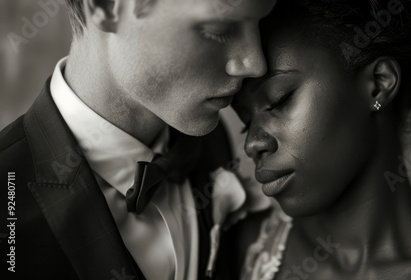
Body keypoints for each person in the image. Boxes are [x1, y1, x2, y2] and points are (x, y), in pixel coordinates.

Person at [0, 0, 275, 279]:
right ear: (105, 7)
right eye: (219, 28)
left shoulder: (210, 140)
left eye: (261, 22)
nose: (255, 63)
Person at [228, 0, 411, 279]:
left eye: (279, 100)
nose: (252, 143)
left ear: (379, 84)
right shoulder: (241, 247)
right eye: (246, 122)